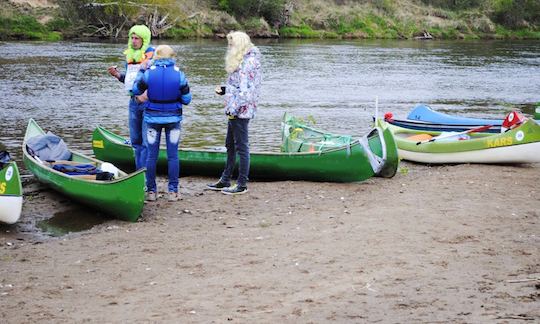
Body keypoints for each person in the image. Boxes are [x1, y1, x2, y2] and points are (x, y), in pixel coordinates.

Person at [132, 45, 192, 202]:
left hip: (152, 119)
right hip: (173, 120)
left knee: (151, 156)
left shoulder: (148, 74)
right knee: (173, 156)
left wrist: (141, 70)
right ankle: (173, 192)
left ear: (156, 57)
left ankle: (151, 192)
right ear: (172, 56)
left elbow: (135, 90)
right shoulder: (180, 75)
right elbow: (187, 100)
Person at [206, 31, 262, 195]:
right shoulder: (242, 60)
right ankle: (225, 180)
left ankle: (242, 184)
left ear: (239, 45)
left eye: (232, 44)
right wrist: (225, 90)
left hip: (240, 110)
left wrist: (233, 107)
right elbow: (238, 87)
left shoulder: (248, 63)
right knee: (230, 145)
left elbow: (247, 93)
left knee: (242, 147)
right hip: (235, 108)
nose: (229, 47)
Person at [107, 25, 154, 170]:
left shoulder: (152, 56)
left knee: (147, 142)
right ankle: (139, 173)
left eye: (137, 38)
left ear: (144, 40)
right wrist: (117, 75)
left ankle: (146, 177)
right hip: (133, 102)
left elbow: (157, 80)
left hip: (148, 103)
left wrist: (146, 95)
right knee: (135, 141)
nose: (133, 41)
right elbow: (129, 79)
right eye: (131, 38)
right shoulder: (130, 56)